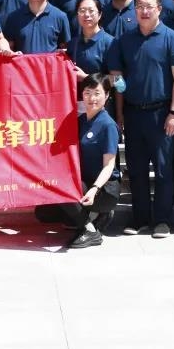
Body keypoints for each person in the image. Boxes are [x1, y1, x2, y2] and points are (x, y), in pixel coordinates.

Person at [107, 0, 174, 238]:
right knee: (137, 169)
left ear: (159, 9)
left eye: (149, 6)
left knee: (164, 169)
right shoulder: (124, 40)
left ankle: (162, 220)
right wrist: (121, 110)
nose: (144, 11)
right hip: (133, 113)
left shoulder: (172, 38)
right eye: (140, 6)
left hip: (162, 113)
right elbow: (116, 76)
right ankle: (140, 217)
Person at [33, 74, 120, 248]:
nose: (92, 98)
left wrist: (94, 189)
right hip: (83, 183)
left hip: (104, 189)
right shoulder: (80, 121)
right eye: (87, 93)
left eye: (97, 93)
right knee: (43, 213)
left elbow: (109, 166)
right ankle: (96, 215)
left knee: (64, 187)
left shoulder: (108, 125)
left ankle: (90, 230)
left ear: (107, 95)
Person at [2, 0, 71, 54]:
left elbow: (65, 49)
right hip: (23, 62)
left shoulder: (60, 17)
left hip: (49, 63)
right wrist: (11, 53)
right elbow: (9, 49)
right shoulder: (14, 17)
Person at [69, 0, 114, 81]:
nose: (86, 14)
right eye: (82, 11)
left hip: (101, 90)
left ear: (100, 14)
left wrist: (86, 78)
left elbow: (120, 82)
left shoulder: (111, 43)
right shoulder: (73, 43)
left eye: (91, 11)